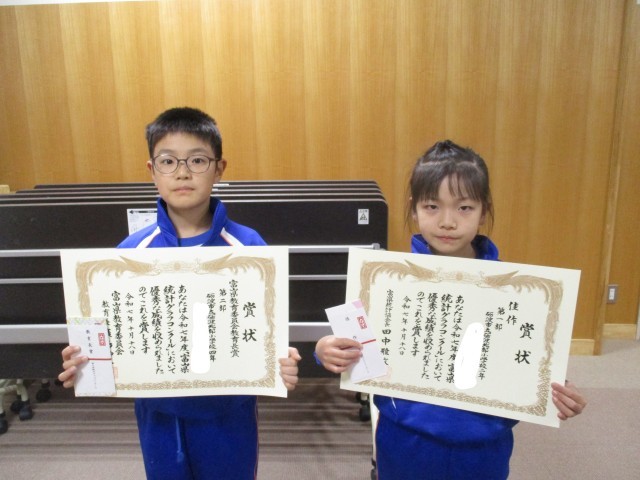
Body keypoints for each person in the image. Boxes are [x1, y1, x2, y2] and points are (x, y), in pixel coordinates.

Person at [314, 140, 587, 479]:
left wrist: (557, 390)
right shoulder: (387, 282)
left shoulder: (515, 293)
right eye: (432, 206)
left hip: (483, 447)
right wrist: (324, 349)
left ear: (484, 211)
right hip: (405, 441)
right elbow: (350, 344)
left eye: (464, 208)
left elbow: (526, 362)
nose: (447, 221)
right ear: (414, 210)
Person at [58, 107, 301, 480]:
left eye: (198, 160)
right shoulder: (130, 253)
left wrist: (281, 358)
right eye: (168, 161)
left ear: (219, 169)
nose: (183, 173)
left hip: (228, 414)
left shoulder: (249, 248)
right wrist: (84, 360)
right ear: (151, 170)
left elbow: (267, 333)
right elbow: (109, 334)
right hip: (159, 413)